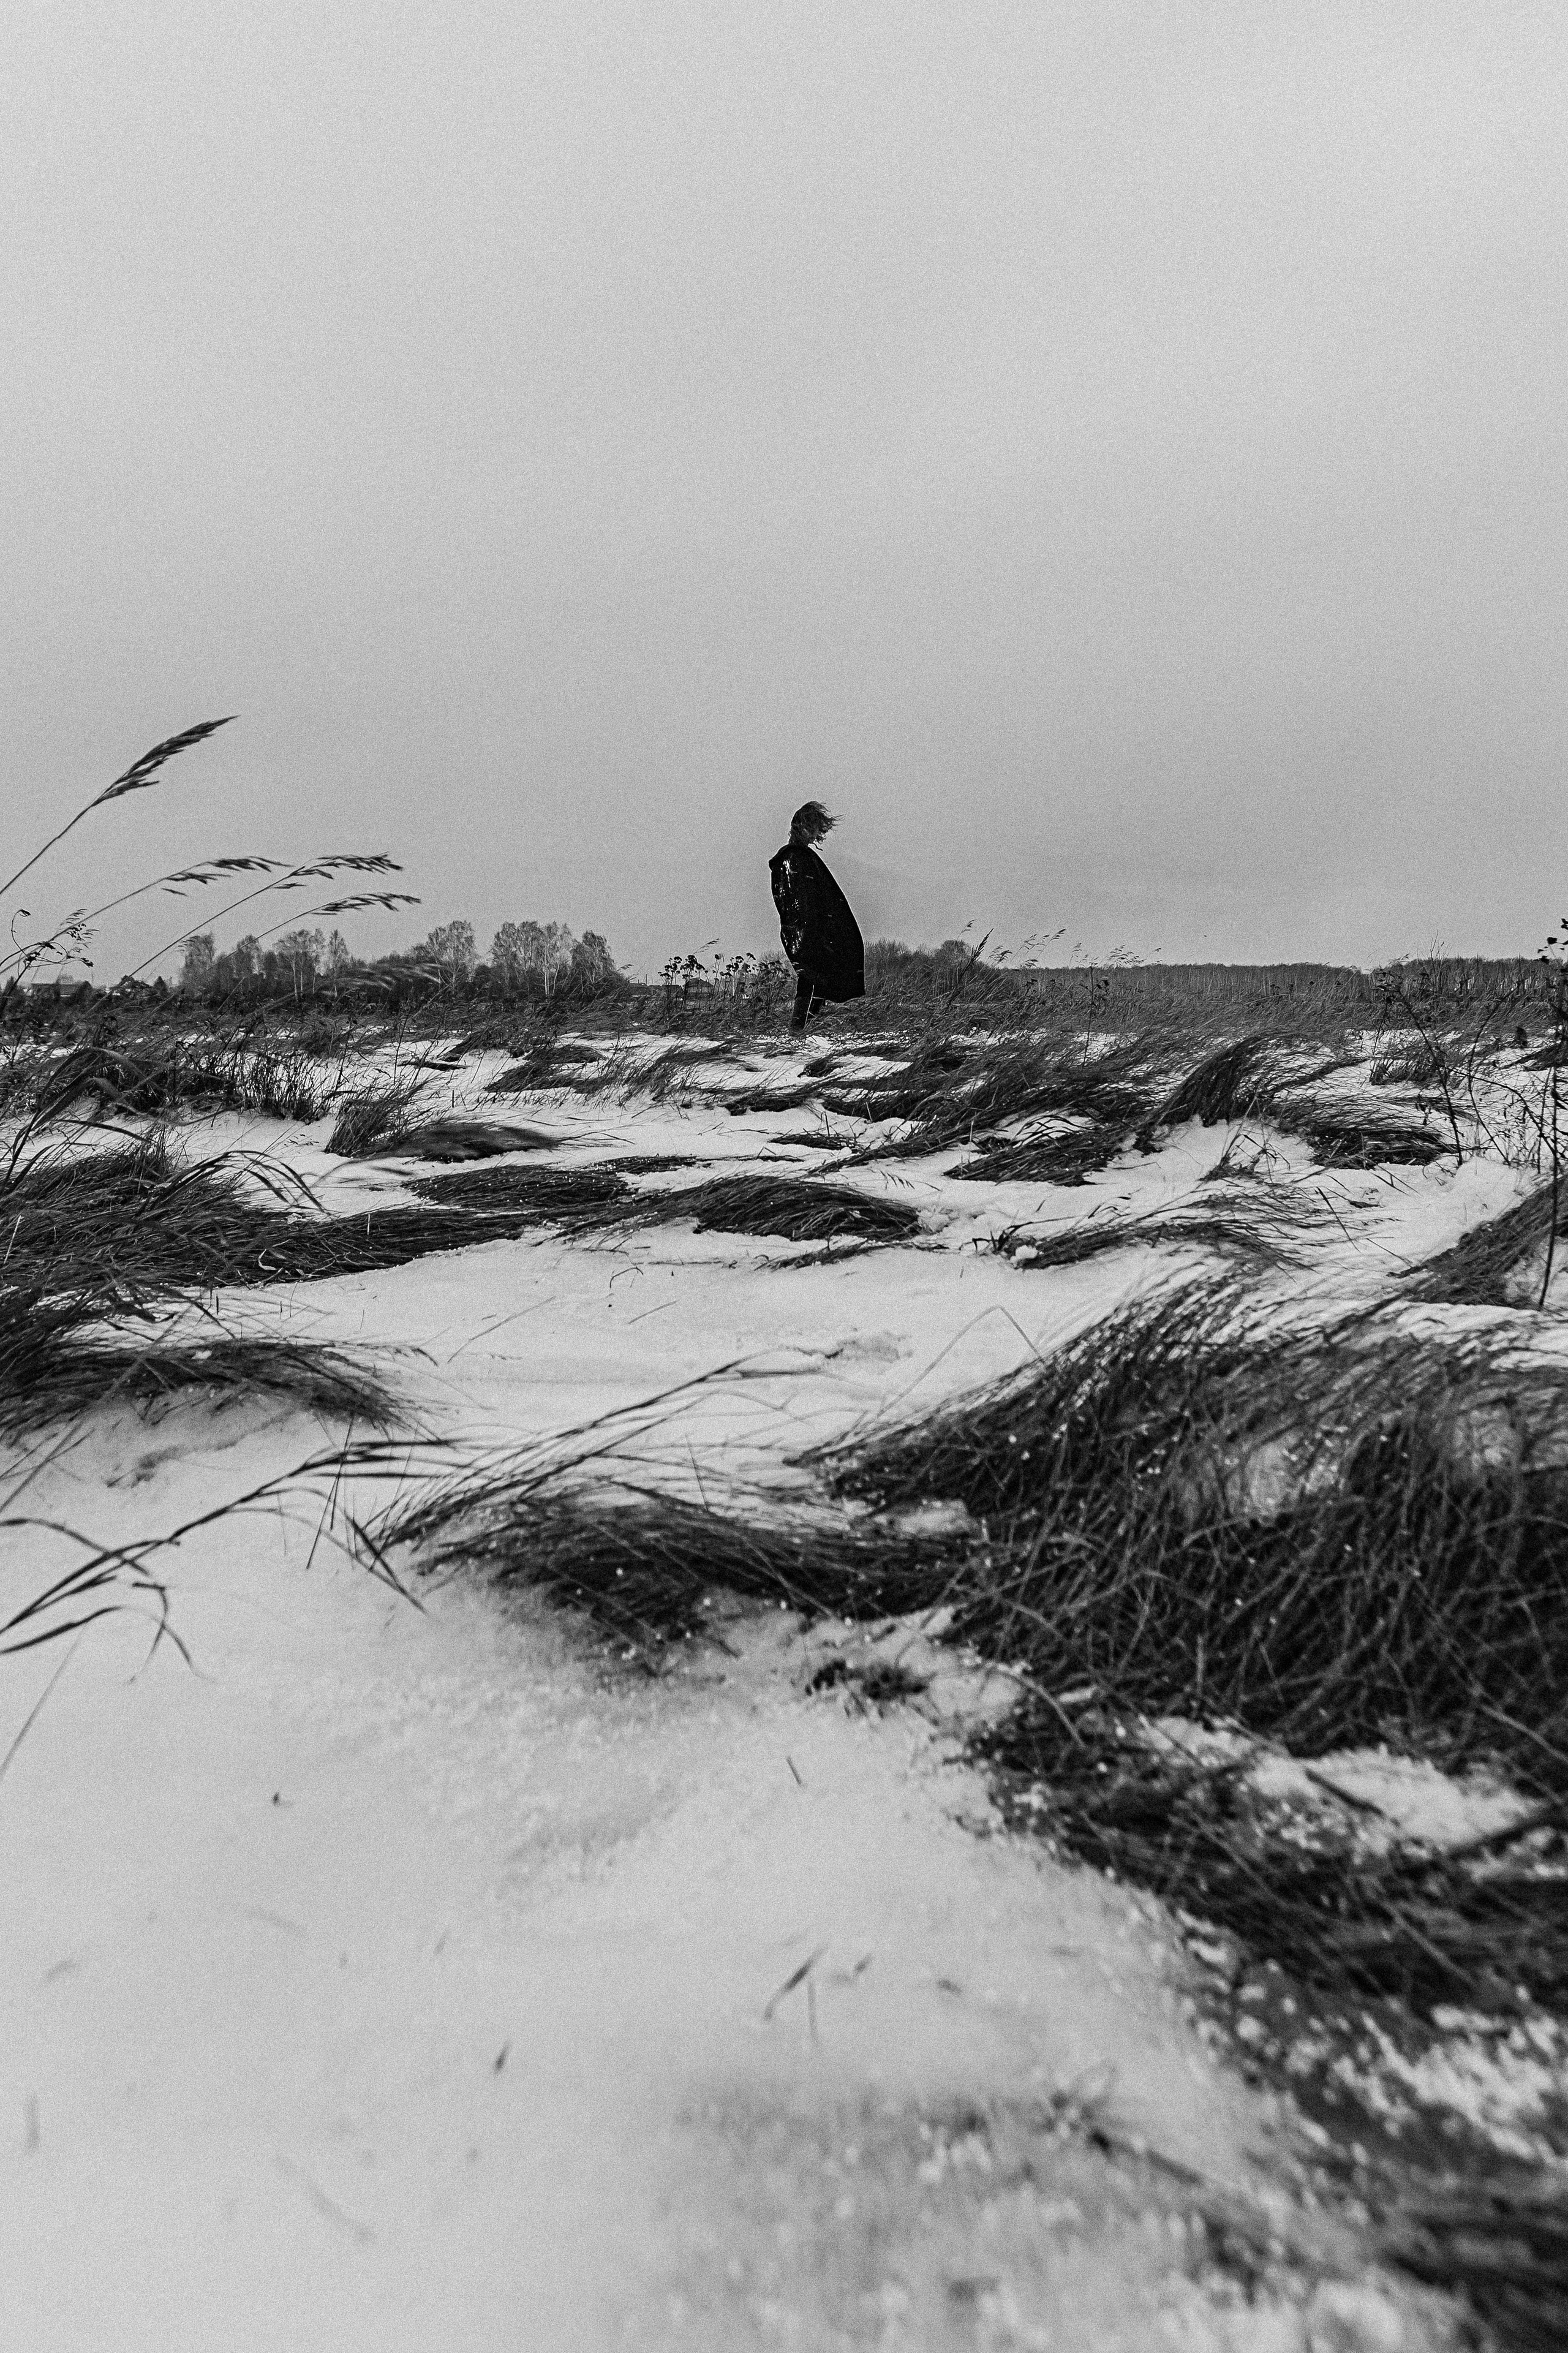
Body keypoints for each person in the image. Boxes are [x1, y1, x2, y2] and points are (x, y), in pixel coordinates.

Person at [769, 801, 865, 1031]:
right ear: (800, 828)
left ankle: (801, 1031)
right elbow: (797, 904)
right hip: (810, 937)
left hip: (816, 936)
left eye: (816, 829)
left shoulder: (802, 858)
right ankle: (798, 1032)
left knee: (816, 983)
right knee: (812, 982)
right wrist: (809, 936)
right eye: (811, 828)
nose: (814, 834)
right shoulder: (793, 859)